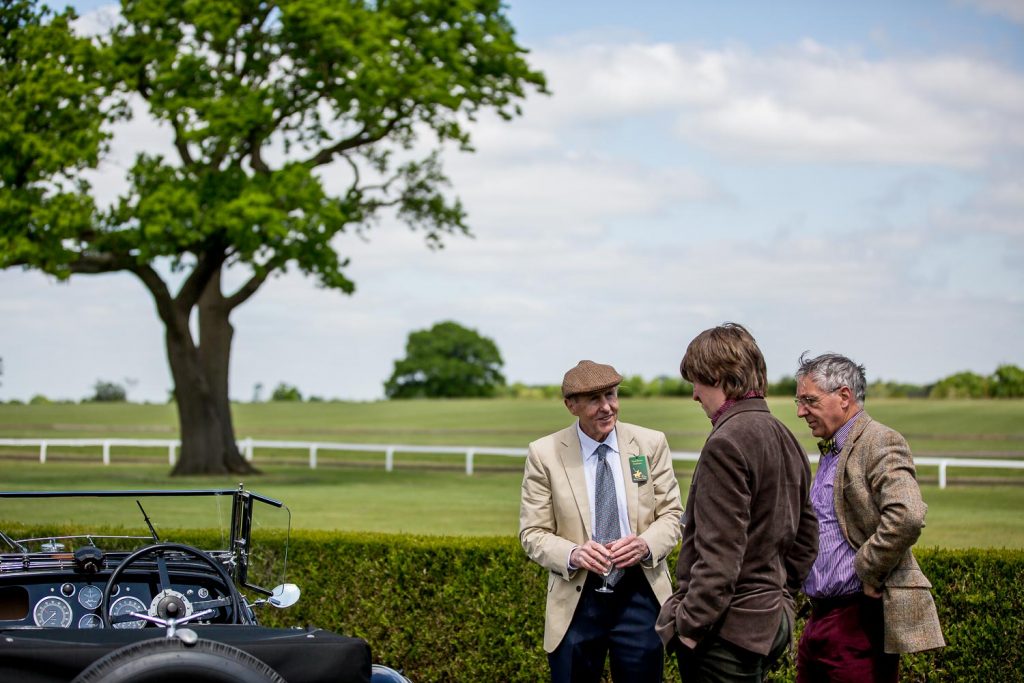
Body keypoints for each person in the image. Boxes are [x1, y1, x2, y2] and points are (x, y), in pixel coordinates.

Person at [656, 323, 818, 682]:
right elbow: (806, 541)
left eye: (696, 381)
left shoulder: (726, 442)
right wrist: (781, 602)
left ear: (720, 377)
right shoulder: (785, 436)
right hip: (768, 623)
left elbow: (719, 559)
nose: (695, 395)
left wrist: (687, 627)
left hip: (726, 633)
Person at [520, 360, 683, 683]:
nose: (607, 407)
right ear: (571, 406)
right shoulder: (544, 454)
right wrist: (573, 554)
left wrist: (644, 545)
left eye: (611, 395)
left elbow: (673, 515)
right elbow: (532, 532)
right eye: (594, 399)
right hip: (577, 598)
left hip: (640, 595)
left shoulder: (650, 444)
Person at [794, 352, 945, 682]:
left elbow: (907, 514)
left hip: (857, 621)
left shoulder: (880, 440)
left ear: (844, 396)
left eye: (809, 400)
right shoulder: (834, 447)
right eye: (799, 401)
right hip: (820, 622)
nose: (800, 411)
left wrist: (870, 571)